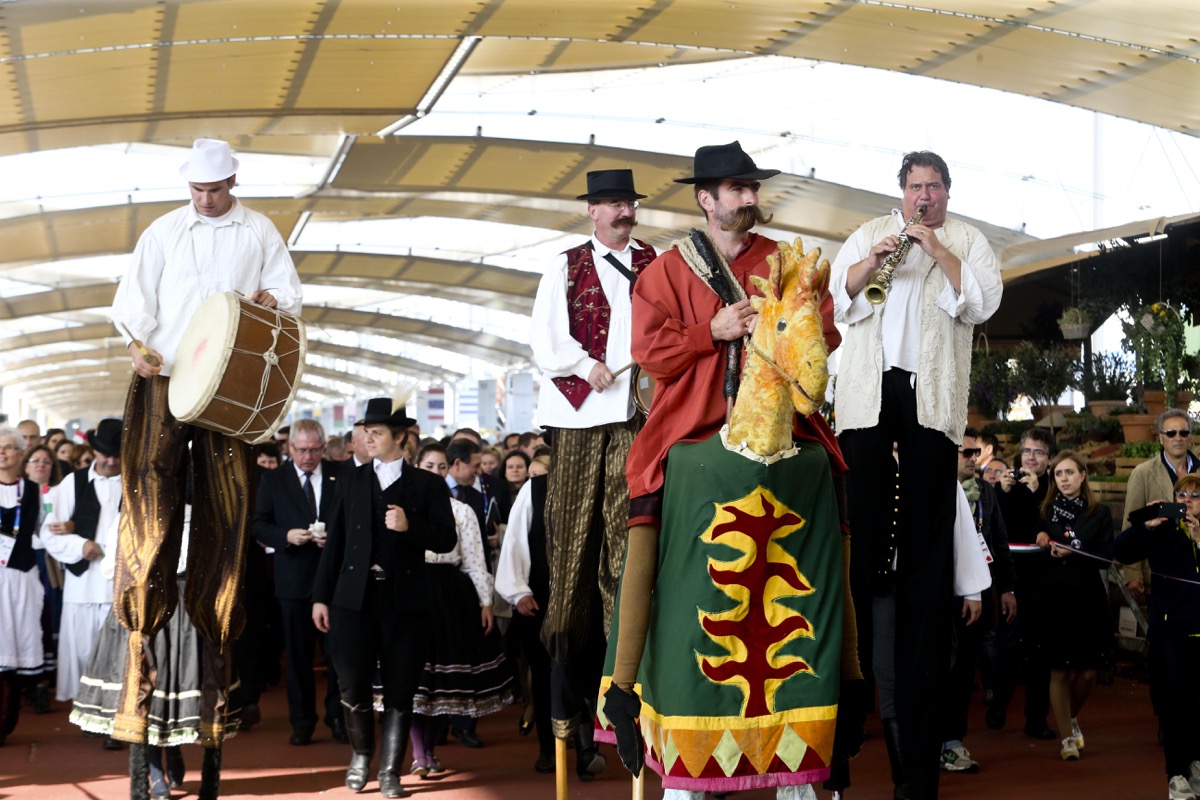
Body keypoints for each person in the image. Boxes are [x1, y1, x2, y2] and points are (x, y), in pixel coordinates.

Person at [609, 141, 852, 799]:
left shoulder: (788, 262)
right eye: (734, 188)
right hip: (689, 428)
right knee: (646, 507)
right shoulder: (663, 272)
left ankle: (847, 681)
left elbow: (821, 337)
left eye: (751, 187)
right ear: (705, 198)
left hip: (787, 427)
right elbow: (651, 355)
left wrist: (785, 327)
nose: (747, 198)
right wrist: (709, 331)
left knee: (834, 489)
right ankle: (623, 684)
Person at [108, 137, 303, 755]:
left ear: (232, 183)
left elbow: (288, 295)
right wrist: (137, 349)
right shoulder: (164, 231)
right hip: (165, 379)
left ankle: (219, 661)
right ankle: (140, 648)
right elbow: (130, 307)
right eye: (197, 189)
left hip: (224, 386)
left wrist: (270, 298)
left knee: (228, 519)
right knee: (150, 514)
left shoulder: (260, 231)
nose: (206, 199)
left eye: (215, 189)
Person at [831, 150, 1002, 798]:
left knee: (922, 579)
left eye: (932, 188)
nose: (922, 197)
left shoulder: (968, 239)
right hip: (868, 396)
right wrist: (876, 258)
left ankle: (920, 763)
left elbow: (980, 302)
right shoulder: (869, 233)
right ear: (900, 192)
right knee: (861, 550)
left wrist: (936, 247)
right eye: (914, 188)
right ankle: (845, 736)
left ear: (946, 192)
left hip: (930, 400)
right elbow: (836, 300)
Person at [312, 398, 456, 799]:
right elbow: (334, 544)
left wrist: (411, 526)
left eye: (376, 433)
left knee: (400, 686)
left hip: (405, 600)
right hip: (352, 600)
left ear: (399, 438)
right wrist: (320, 597)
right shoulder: (349, 481)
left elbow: (446, 539)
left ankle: (390, 771)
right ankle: (361, 755)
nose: (367, 439)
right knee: (351, 682)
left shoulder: (427, 484)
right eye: (365, 432)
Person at [407, 442, 513, 777]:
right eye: (429, 467)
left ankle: (430, 750)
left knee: (440, 684)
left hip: (450, 597)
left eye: (441, 467)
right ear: (416, 467)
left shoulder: (462, 511)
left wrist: (485, 602)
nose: (436, 473)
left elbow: (475, 561)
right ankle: (419, 754)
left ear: (450, 469)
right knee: (413, 679)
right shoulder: (402, 507)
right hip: (410, 594)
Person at [252, 418, 344, 746]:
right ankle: (302, 722)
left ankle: (338, 716)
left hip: (334, 580)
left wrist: (335, 538)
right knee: (298, 656)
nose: (308, 457)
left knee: (338, 655)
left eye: (314, 450)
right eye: (302, 450)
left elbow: (355, 521)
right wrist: (286, 536)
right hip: (292, 580)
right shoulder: (273, 481)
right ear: (290, 448)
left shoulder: (341, 475)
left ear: (323, 447)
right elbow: (258, 525)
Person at [1115, 473, 1200, 799]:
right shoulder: (1162, 530)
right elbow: (1121, 551)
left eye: (1194, 495)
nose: (1187, 501)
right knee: (1174, 702)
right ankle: (1176, 773)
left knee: (1197, 703)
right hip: (1169, 632)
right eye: (1182, 495)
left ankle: (1194, 762)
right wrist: (1145, 526)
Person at [39, 419, 122, 744]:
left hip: (118, 584)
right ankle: (90, 710)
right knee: (84, 651)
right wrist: (79, 545)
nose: (111, 461)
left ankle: (116, 716)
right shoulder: (71, 485)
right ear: (94, 451)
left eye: (116, 455)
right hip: (81, 582)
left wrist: (101, 548)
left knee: (117, 653)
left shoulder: (134, 483)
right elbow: (49, 531)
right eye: (105, 454)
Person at [939, 431, 1015, 774]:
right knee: (936, 667)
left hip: (975, 595)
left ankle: (953, 742)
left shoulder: (985, 491)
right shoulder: (931, 487)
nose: (972, 458)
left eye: (975, 452)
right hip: (936, 594)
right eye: (964, 452)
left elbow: (998, 541)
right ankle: (927, 740)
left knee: (964, 668)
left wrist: (1007, 588)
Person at [1033, 450, 1113, 761]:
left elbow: (1106, 557)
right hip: (1054, 597)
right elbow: (1029, 537)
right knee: (1059, 670)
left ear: (1082, 475)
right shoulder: (1045, 510)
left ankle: (1070, 717)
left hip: (1089, 598)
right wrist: (1038, 534)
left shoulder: (1099, 512)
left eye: (1069, 473)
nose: (1064, 479)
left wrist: (1074, 553)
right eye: (1058, 474)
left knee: (1089, 673)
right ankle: (1066, 736)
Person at [993, 428, 1057, 738]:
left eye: (1039, 453)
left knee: (1039, 650)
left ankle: (1036, 719)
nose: (1031, 458)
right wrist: (1000, 494)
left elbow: (1046, 528)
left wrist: (1038, 495)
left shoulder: (1053, 489)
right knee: (1006, 645)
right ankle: (999, 702)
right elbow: (997, 527)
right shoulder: (1007, 485)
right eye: (1027, 451)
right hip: (1010, 574)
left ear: (1050, 458)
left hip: (1042, 577)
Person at [1121, 409, 1197, 603]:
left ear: (1190, 437)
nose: (1178, 438)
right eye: (1171, 433)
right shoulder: (1142, 473)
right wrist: (1131, 573)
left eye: (1184, 433)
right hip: (1160, 573)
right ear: (1161, 438)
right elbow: (1131, 522)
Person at [0, 425, 45, 747]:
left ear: (20, 453)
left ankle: (8, 716)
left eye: (8, 448)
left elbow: (44, 531)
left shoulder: (33, 491)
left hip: (21, 577)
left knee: (15, 645)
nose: (2, 453)